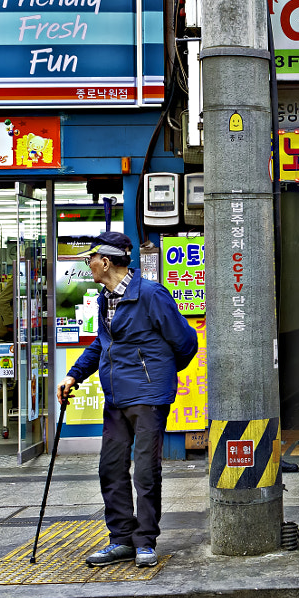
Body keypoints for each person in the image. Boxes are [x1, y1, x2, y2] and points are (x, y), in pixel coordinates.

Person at [59, 232, 199, 567]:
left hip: (147, 396)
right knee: (111, 467)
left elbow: (185, 342)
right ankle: (120, 539)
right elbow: (102, 345)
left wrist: (155, 374)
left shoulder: (150, 294)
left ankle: (145, 541)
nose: (87, 264)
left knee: (146, 471)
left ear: (105, 261)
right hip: (117, 396)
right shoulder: (104, 298)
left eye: (90, 258)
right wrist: (74, 374)